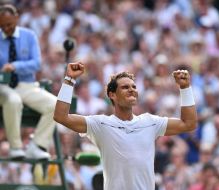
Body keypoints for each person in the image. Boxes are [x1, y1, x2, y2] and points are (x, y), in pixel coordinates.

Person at [54, 61, 197, 189]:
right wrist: (69, 79)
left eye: (134, 86)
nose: (132, 89)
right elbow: (61, 117)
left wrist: (185, 88)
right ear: (112, 95)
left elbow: (188, 124)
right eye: (125, 87)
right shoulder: (100, 124)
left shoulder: (150, 122)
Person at [0, 4, 56, 159]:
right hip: (3, 86)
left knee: (57, 105)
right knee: (13, 100)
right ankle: (15, 148)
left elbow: (36, 64)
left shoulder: (29, 36)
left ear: (17, 18)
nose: (6, 28)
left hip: (26, 85)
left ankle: (37, 146)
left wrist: (14, 66)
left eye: (9, 24)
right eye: (2, 26)